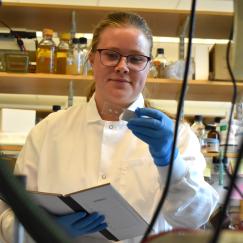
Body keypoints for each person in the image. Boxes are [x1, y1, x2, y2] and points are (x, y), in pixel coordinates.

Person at [0, 11, 218, 243]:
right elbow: (7, 214)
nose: (123, 66)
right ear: (92, 59)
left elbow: (194, 218)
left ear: (148, 67)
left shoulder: (177, 135)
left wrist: (170, 162)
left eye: (135, 58)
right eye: (111, 55)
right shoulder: (47, 132)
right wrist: (39, 229)